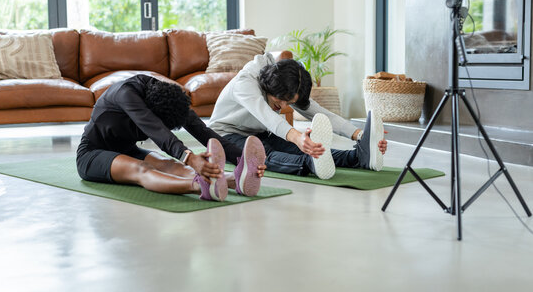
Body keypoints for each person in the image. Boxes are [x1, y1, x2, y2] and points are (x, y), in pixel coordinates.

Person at [76, 74, 266, 201]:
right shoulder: (126, 94)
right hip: (92, 154)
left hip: (126, 149)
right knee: (141, 169)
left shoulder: (170, 99)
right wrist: (190, 157)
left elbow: (203, 131)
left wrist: (242, 159)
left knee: (172, 165)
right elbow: (159, 132)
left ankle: (235, 180)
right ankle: (201, 187)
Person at [208, 53, 388, 179]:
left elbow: (319, 112)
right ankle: (311, 163)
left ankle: (358, 157)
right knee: (262, 153)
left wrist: (359, 134)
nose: (284, 107)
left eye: (290, 102)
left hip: (258, 132)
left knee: (295, 148)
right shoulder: (246, 83)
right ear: (271, 87)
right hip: (224, 135)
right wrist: (297, 136)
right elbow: (268, 118)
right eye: (282, 100)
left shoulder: (284, 82)